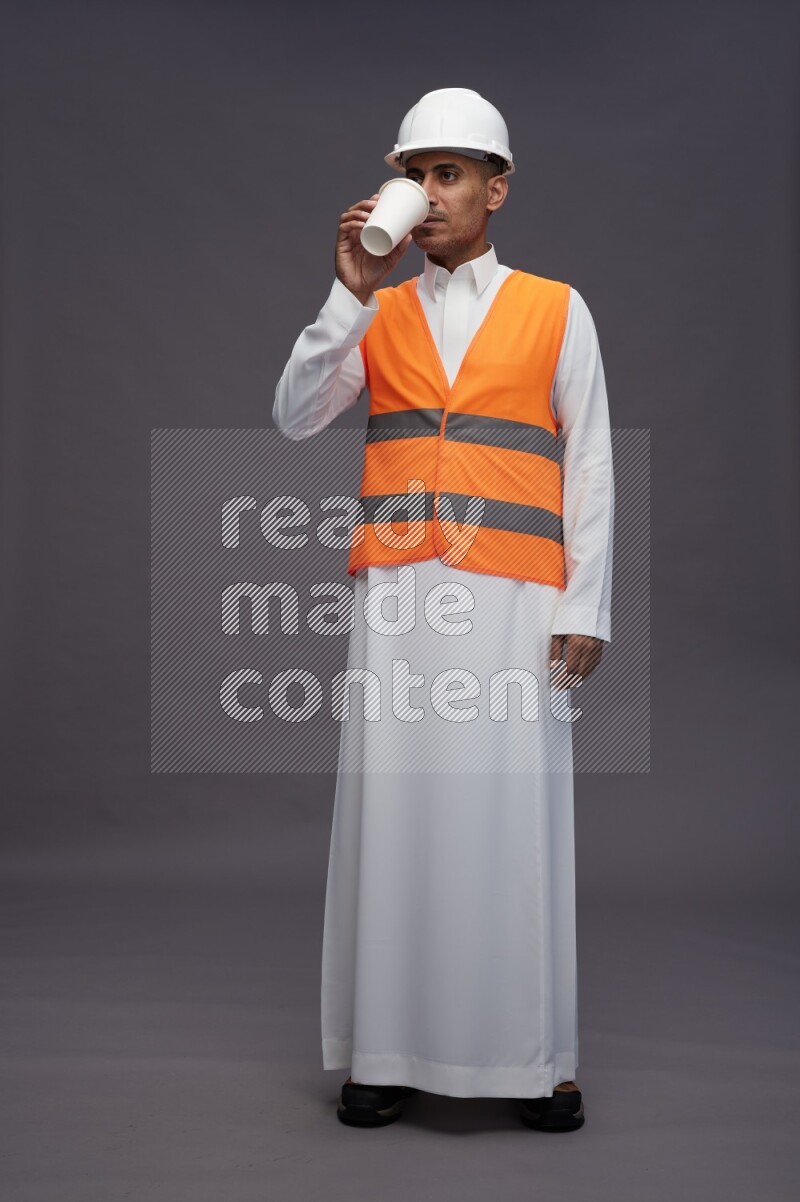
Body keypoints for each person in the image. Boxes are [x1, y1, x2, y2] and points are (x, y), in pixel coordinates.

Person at [273, 87, 614, 1132]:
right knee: (395, 809)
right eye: (413, 172)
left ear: (494, 188)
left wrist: (586, 605)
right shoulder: (375, 308)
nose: (427, 193)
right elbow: (293, 417)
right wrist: (346, 293)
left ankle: (534, 1057)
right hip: (398, 592)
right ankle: (384, 1050)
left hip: (515, 593)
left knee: (511, 817)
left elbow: (590, 460)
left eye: (449, 172)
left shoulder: (557, 306)